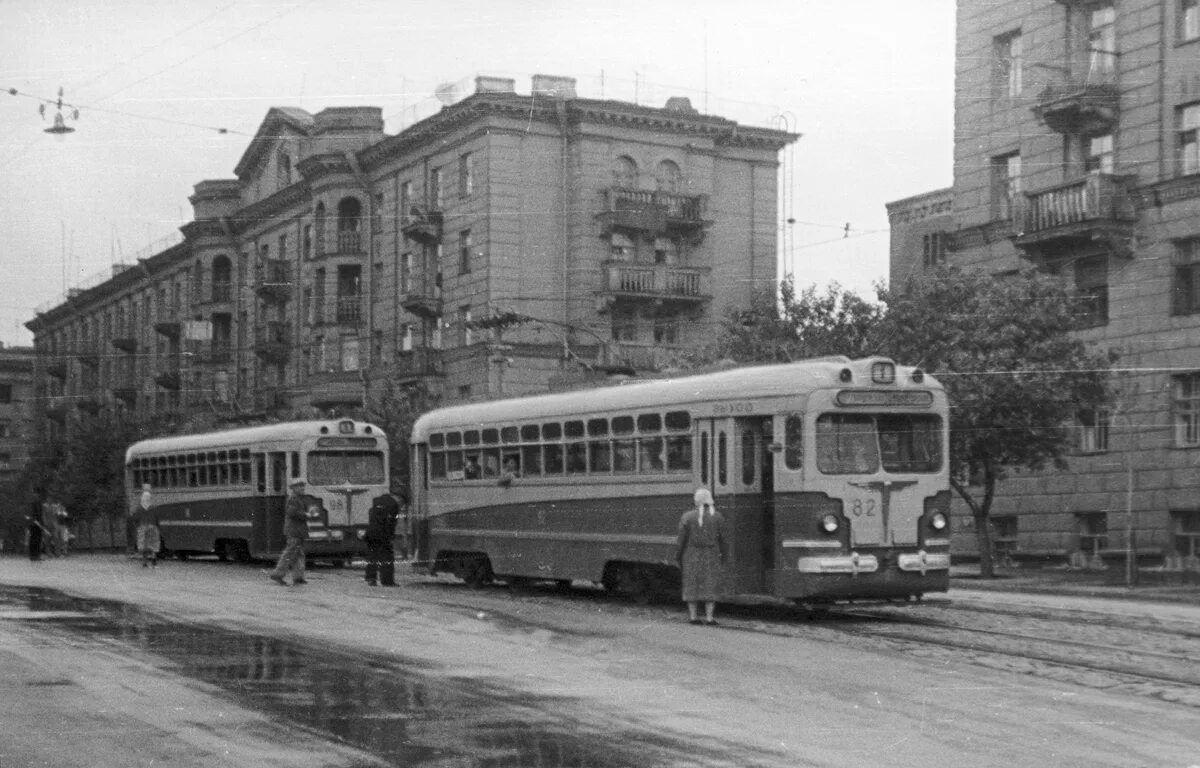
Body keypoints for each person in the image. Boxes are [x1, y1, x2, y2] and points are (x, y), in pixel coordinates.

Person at [675, 487, 728, 626]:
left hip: (691, 554)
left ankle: (693, 617)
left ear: (696, 501)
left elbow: (681, 540)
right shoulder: (717, 516)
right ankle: (710, 618)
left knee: (692, 584)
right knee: (710, 584)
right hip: (711, 554)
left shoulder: (687, 517)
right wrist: (724, 555)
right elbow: (723, 539)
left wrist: (678, 556)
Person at [269, 479, 310, 586]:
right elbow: (292, 513)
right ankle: (278, 574)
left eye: (303, 486)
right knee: (290, 553)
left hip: (297, 530)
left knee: (298, 554)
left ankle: (298, 577)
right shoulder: (293, 499)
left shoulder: (297, 498)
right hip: (294, 531)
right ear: (294, 488)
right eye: (300, 486)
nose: (302, 488)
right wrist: (307, 515)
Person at [364, 488, 400, 586]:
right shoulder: (394, 504)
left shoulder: (375, 500)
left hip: (371, 533)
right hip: (383, 534)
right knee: (387, 557)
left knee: (372, 555)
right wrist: (390, 536)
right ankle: (387, 581)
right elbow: (391, 522)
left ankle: (371, 578)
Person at [133, 484, 160, 568]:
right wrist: (157, 526)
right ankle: (154, 563)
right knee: (153, 545)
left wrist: (138, 526)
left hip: (142, 527)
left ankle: (144, 563)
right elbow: (157, 517)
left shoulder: (139, 508)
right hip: (152, 527)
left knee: (144, 545)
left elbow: (136, 518)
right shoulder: (154, 507)